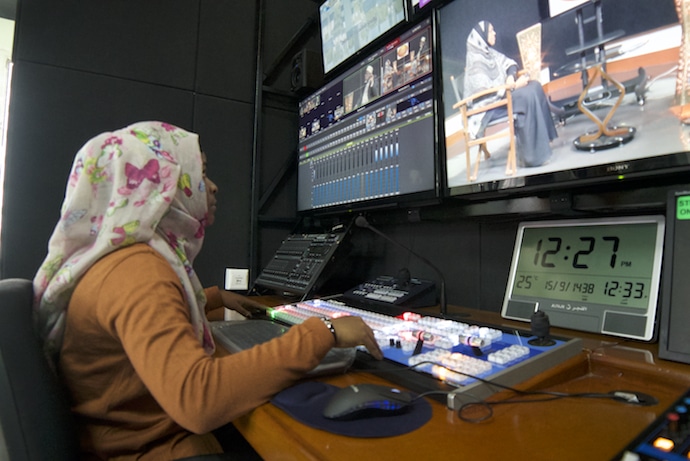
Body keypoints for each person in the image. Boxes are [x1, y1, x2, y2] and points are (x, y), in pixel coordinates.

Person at [33, 121, 384, 460]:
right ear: (157, 186)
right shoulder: (138, 272)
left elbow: (144, 324)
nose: (213, 187)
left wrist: (213, 299)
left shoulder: (119, 262)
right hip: (156, 451)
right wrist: (325, 332)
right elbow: (197, 400)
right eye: (199, 173)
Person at [463, 21, 558, 167]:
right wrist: (513, 86)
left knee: (534, 85)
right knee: (526, 96)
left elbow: (510, 63)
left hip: (502, 97)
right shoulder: (476, 63)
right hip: (488, 109)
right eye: (491, 31)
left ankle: (546, 138)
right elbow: (486, 94)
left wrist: (510, 77)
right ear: (482, 36)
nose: (494, 33)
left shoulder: (490, 53)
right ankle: (533, 157)